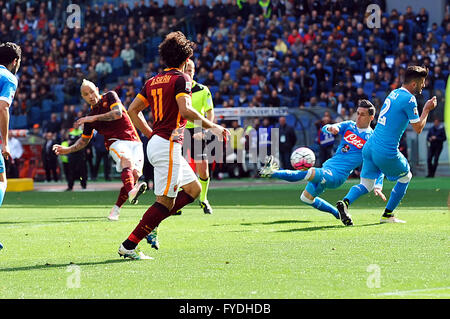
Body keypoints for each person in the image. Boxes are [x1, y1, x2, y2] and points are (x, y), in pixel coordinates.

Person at [117, 31, 230, 259]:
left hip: (162, 143)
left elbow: (132, 110)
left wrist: (151, 133)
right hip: (167, 144)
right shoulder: (182, 79)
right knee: (165, 202)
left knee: (194, 189)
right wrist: (214, 127)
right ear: (185, 58)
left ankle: (151, 223)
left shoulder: (152, 81)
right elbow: (185, 110)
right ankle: (129, 245)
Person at [337, 66, 438, 224]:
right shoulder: (409, 99)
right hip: (385, 150)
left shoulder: (394, 93)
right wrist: (426, 109)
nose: (423, 85)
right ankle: (387, 215)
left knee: (366, 184)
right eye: (422, 82)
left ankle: (345, 203)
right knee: (406, 176)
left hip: (370, 146)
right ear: (413, 84)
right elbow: (418, 128)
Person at [259, 100, 384, 226]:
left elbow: (378, 164)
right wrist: (331, 127)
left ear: (371, 117)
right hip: (327, 167)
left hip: (337, 175)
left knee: (306, 173)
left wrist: (378, 184)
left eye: (362, 114)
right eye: (357, 113)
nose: (358, 117)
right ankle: (339, 213)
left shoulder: (371, 139)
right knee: (306, 198)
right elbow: (326, 127)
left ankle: (271, 172)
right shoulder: (349, 125)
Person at [53, 79, 147, 221]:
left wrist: (92, 118)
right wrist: (68, 149)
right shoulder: (89, 118)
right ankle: (132, 192)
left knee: (134, 175)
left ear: (97, 89)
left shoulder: (110, 96)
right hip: (115, 143)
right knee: (126, 161)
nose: (90, 96)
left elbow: (117, 114)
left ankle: (116, 209)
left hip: (135, 142)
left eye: (91, 92)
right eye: (86, 94)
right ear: (83, 97)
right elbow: (84, 140)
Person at [177, 58, 215, 215]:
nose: (188, 73)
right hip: (180, 130)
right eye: (185, 70)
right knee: (176, 168)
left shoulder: (202, 89)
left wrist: (205, 130)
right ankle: (176, 203)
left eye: (190, 70)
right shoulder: (177, 89)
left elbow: (210, 112)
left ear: (194, 72)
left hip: (197, 131)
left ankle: (203, 199)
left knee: (203, 168)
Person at [0, 42, 21, 251]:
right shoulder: (8, 78)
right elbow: (3, 106)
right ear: (15, 61)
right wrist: (5, 143)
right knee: (2, 180)